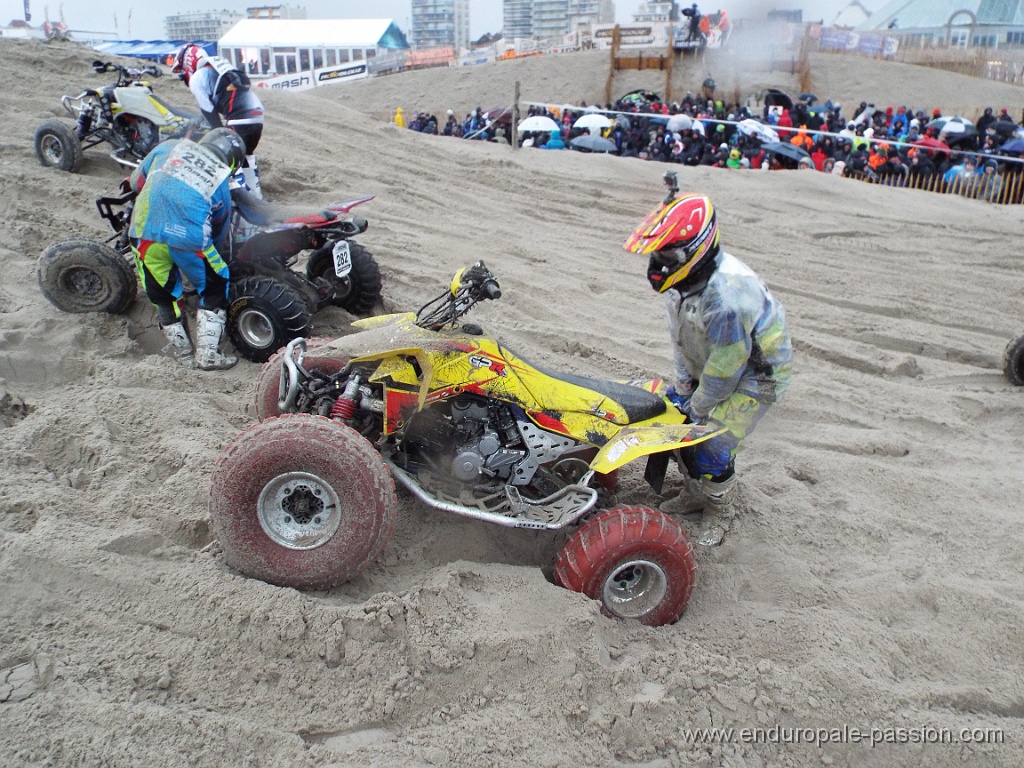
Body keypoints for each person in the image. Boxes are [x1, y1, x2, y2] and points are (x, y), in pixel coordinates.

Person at [623, 178, 792, 546]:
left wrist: (699, 406)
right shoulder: (684, 286)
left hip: (755, 374)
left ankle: (720, 507)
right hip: (714, 361)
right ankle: (694, 492)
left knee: (714, 443)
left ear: (694, 250)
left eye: (668, 256)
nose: (658, 264)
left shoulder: (727, 297)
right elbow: (680, 337)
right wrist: (685, 388)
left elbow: (727, 368)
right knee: (679, 419)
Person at [128, 128, 248, 371]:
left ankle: (181, 355)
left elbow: (135, 182)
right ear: (233, 160)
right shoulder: (221, 178)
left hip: (143, 234)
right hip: (189, 241)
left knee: (163, 295)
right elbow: (218, 229)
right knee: (215, 284)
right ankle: (208, 355)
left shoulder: (170, 146)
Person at [172, 44, 265, 197]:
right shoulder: (219, 65)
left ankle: (244, 204)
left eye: (182, 71)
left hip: (239, 117)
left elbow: (210, 115)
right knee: (246, 155)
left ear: (187, 62)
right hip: (257, 116)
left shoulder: (198, 77)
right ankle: (256, 197)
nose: (184, 76)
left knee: (228, 161)